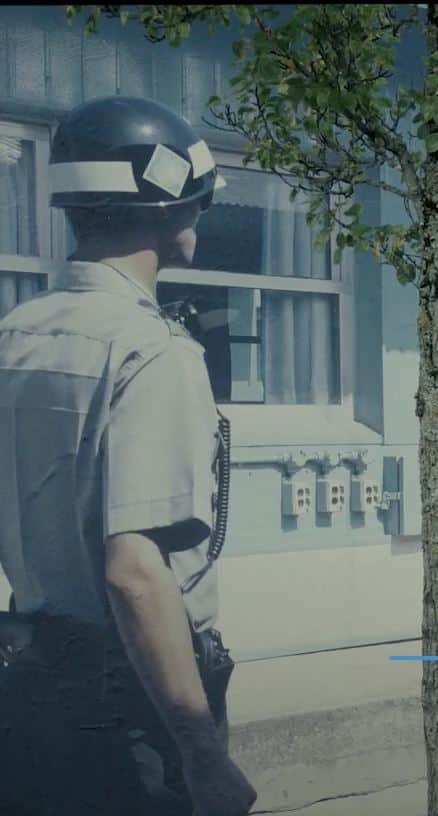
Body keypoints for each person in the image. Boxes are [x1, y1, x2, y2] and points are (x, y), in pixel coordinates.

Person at [0, 96, 254, 815]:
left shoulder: (14, 334)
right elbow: (137, 573)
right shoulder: (156, 353)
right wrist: (199, 752)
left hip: (30, 691)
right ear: (173, 208)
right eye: (198, 204)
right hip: (132, 712)